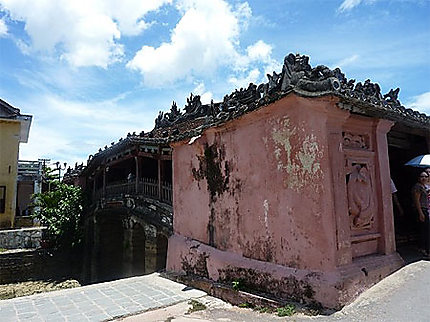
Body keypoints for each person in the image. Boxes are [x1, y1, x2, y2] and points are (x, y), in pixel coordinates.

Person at [412, 171, 430, 256]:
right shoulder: (417, 187)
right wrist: (420, 213)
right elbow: (417, 201)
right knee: (424, 230)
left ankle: (424, 247)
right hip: (422, 209)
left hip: (425, 209)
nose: (424, 178)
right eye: (422, 176)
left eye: (426, 177)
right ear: (419, 178)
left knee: (425, 229)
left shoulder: (424, 187)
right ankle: (423, 248)